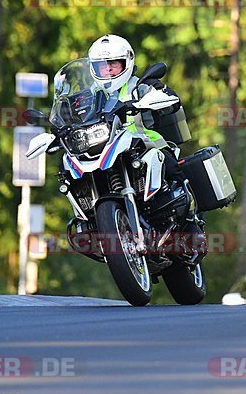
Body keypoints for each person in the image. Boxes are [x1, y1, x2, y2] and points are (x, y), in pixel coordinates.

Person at [87, 34, 206, 258]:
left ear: (126, 63)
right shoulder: (91, 95)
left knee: (172, 167)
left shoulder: (139, 85)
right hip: (105, 150)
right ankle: (91, 223)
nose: (109, 71)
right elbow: (69, 113)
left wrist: (156, 98)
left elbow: (171, 97)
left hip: (144, 143)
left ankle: (191, 225)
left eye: (114, 65)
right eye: (103, 66)